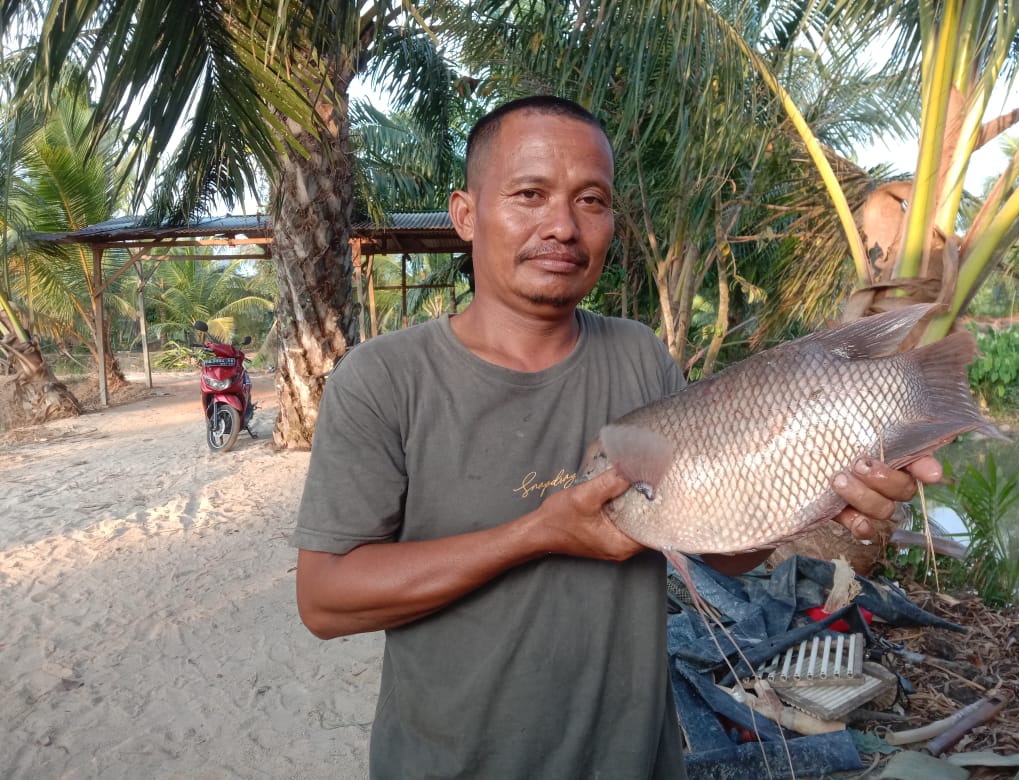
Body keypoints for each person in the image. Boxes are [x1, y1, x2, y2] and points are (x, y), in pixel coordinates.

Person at [291, 95, 942, 779]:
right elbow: (326, 600)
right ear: (464, 214)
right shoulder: (384, 380)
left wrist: (806, 498)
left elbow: (713, 549)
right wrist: (537, 532)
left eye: (592, 200)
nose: (563, 226)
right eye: (529, 194)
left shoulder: (639, 358)